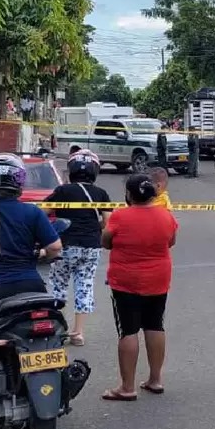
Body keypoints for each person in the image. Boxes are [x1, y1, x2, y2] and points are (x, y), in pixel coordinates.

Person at [102, 174, 178, 401]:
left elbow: (106, 241)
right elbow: (171, 241)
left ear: (129, 195)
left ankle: (127, 387)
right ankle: (155, 379)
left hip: (126, 281)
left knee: (128, 329)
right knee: (155, 324)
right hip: (158, 278)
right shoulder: (166, 216)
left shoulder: (120, 216)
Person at [44, 150, 111, 346]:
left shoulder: (62, 191)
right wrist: (92, 227)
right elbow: (107, 222)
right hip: (91, 246)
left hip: (65, 245)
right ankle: (78, 333)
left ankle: (57, 329)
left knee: (58, 285)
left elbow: (42, 211)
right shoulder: (101, 193)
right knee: (85, 286)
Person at [0, 154, 62, 318]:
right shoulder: (32, 212)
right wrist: (41, 254)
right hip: (30, 285)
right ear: (19, 180)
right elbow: (55, 247)